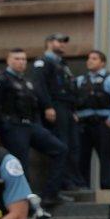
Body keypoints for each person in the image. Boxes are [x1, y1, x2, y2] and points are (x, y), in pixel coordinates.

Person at [0, 47, 68, 206]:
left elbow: (34, 108)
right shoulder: (1, 81)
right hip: (13, 127)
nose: (21, 62)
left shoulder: (27, 83)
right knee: (21, 165)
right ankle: (26, 204)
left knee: (60, 149)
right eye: (17, 59)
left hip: (31, 125)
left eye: (23, 59)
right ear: (8, 60)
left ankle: (50, 194)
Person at [32, 32, 83, 190]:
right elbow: (39, 85)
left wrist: (73, 110)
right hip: (55, 106)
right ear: (49, 42)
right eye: (59, 41)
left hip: (67, 108)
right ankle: (64, 182)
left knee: (73, 146)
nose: (62, 44)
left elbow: (69, 89)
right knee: (63, 144)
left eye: (64, 42)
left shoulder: (62, 64)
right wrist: (47, 106)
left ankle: (73, 180)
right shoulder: (43, 62)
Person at [75, 50, 110, 189]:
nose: (90, 61)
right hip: (84, 124)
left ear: (102, 62)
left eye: (94, 58)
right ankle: (82, 186)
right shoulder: (80, 80)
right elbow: (72, 100)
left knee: (106, 157)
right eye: (89, 58)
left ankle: (107, 186)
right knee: (82, 157)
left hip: (102, 123)